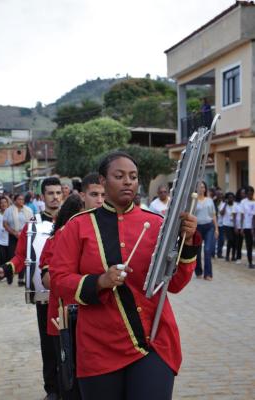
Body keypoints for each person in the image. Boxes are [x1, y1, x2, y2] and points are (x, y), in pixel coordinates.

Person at [50, 151, 199, 400]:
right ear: (103, 180)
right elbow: (58, 281)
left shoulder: (158, 225)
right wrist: (99, 281)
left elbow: (175, 284)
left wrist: (190, 240)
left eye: (133, 176)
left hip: (152, 341)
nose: (128, 181)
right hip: (98, 347)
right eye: (119, 176)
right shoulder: (77, 226)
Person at [0, 177, 63, 400]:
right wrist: (7, 268)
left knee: (71, 344)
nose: (55, 197)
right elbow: (21, 256)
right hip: (43, 296)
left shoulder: (73, 221)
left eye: (58, 193)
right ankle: (52, 389)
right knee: (49, 345)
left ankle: (72, 388)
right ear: (42, 197)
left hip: (70, 295)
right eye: (50, 193)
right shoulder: (33, 225)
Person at [40, 194, 84, 400]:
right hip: (65, 317)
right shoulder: (57, 238)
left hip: (92, 318)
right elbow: (48, 279)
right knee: (68, 374)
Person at [3, 193, 33, 286]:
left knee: (24, 256)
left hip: (25, 236)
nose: (21, 201)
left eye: (22, 199)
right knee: (12, 255)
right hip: (13, 235)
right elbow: (5, 223)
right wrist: (14, 233)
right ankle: (9, 274)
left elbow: (32, 223)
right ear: (15, 200)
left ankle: (21, 279)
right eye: (19, 199)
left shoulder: (28, 210)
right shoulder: (9, 210)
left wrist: (24, 233)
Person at [195, 181, 218, 280]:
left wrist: (216, 229)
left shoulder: (209, 200)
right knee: (198, 251)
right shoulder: (194, 200)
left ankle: (208, 274)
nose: (201, 189)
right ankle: (198, 271)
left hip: (209, 227)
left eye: (203, 187)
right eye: (199, 187)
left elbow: (213, 215)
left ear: (205, 189)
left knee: (208, 250)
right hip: (198, 228)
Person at [240, 186, 255, 268]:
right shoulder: (243, 202)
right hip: (246, 226)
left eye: (252, 193)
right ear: (246, 194)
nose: (250, 195)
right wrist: (241, 227)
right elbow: (242, 216)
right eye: (249, 193)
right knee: (249, 245)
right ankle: (250, 262)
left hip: (254, 226)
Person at [220, 192, 236, 261]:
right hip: (226, 225)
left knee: (234, 241)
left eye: (232, 198)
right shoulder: (223, 205)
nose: (230, 199)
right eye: (229, 198)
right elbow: (221, 213)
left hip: (234, 225)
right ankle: (227, 256)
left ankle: (232, 256)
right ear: (227, 198)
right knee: (230, 239)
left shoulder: (235, 205)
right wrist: (225, 204)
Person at [233, 187, 246, 264]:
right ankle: (238, 257)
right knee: (239, 242)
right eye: (242, 193)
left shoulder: (248, 202)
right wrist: (235, 226)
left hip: (247, 225)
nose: (243, 194)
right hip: (238, 225)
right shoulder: (236, 203)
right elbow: (234, 216)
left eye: (244, 193)